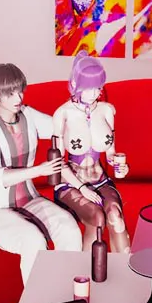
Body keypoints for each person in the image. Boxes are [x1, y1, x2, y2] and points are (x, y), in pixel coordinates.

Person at [0, 63, 83, 285]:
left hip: (29, 200)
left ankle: (68, 291)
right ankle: (36, 301)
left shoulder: (27, 115)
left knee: (69, 228)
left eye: (20, 91)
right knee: (33, 239)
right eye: (10, 94)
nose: (18, 98)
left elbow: (59, 129)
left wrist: (79, 111)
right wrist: (40, 170)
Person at [51, 51, 130, 252]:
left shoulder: (107, 110)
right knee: (97, 217)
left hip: (100, 179)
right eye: (89, 88)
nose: (95, 93)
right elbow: (57, 163)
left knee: (115, 215)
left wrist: (119, 164)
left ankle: (126, 267)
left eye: (98, 88)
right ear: (75, 85)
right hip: (70, 183)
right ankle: (85, 270)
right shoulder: (63, 113)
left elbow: (110, 153)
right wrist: (82, 188)